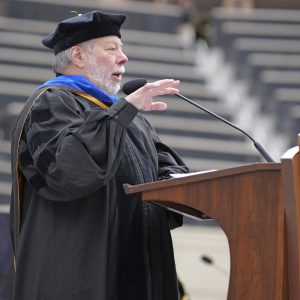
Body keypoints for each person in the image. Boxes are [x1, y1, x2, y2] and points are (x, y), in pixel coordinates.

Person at [10, 10, 189, 300]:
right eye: (112, 48)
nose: (124, 57)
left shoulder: (125, 115)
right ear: (78, 56)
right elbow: (67, 170)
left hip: (137, 273)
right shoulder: (52, 104)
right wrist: (124, 112)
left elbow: (163, 166)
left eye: (122, 48)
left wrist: (182, 182)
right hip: (79, 276)